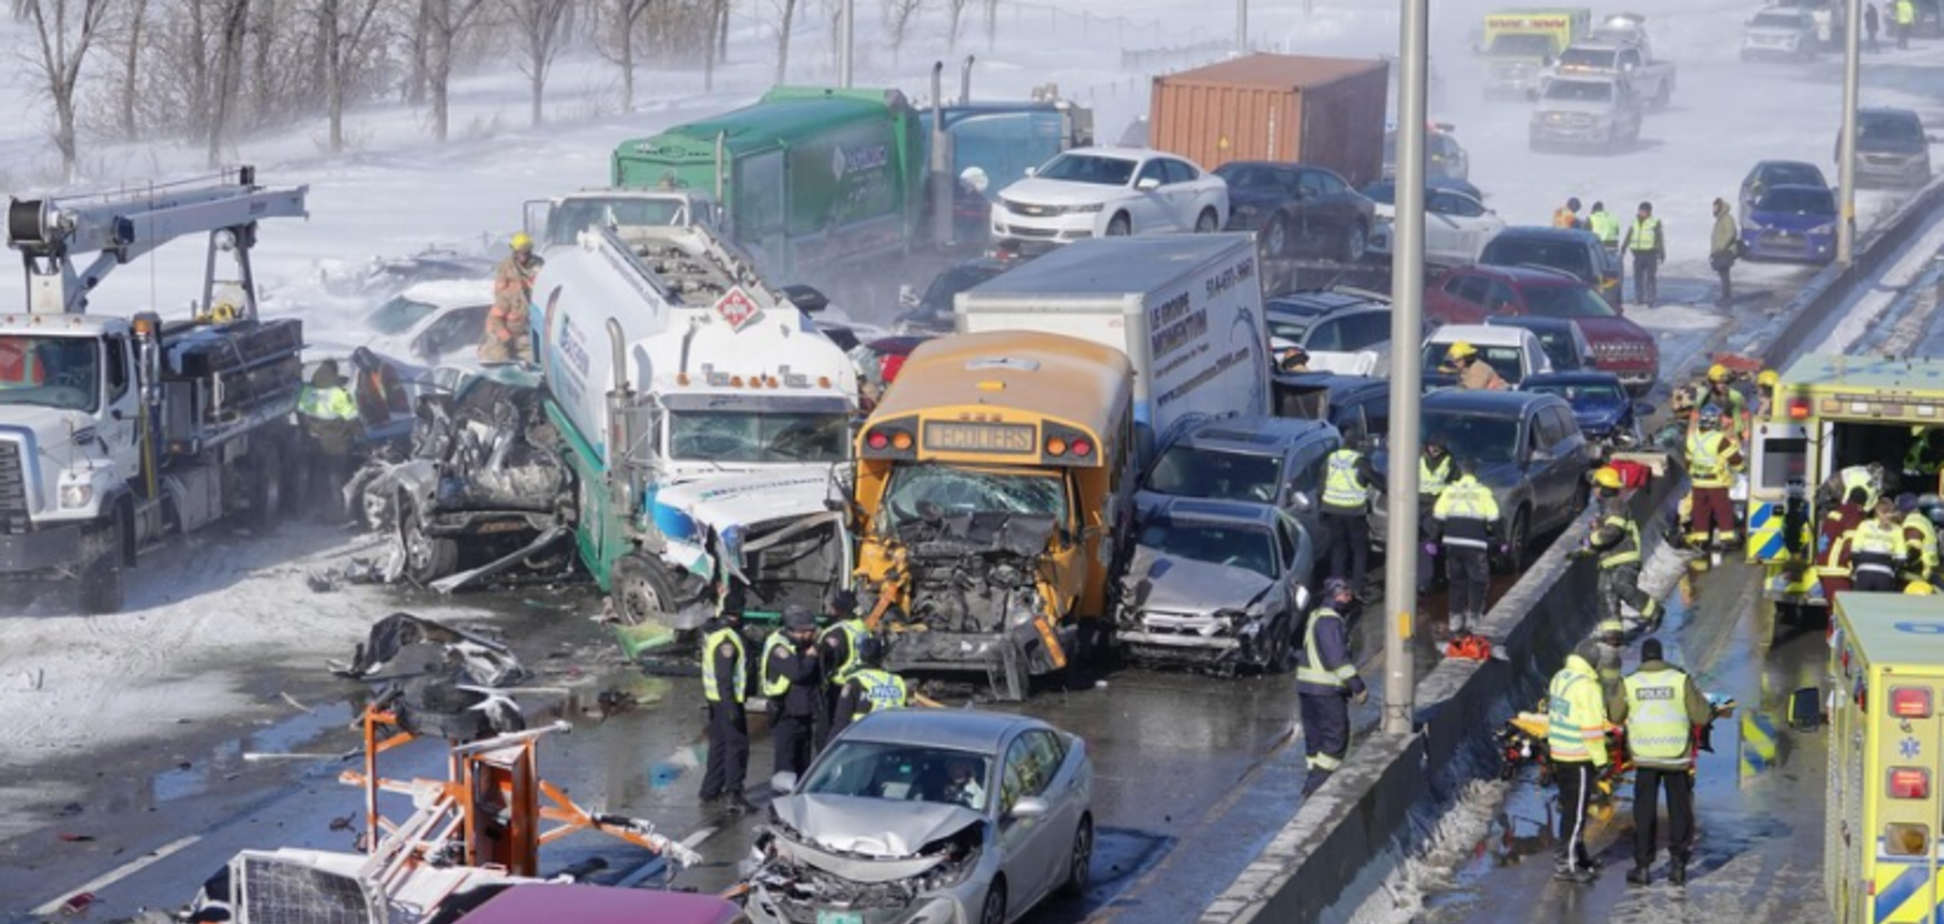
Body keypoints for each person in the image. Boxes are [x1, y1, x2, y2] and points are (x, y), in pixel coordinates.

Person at [1613, 638, 1711, 887]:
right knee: (1679, 808)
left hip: (1645, 756)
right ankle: (1678, 866)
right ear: (1662, 656)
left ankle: (1643, 867)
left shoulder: (1631, 682)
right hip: (1676, 755)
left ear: (1643, 659)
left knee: (1644, 811)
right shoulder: (1680, 680)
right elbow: (1702, 715)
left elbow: (1614, 715)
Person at [1547, 639, 1611, 883]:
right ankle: (1567, 865)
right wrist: (1601, 762)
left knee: (1571, 807)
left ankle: (1579, 855)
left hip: (1559, 751)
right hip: (1578, 755)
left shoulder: (1561, 677)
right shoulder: (1588, 687)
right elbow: (1592, 730)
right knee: (1576, 813)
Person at [1298, 578, 1367, 796]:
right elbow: (1337, 659)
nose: (1350, 599)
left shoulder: (1316, 616)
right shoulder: (1330, 622)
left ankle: (1313, 782)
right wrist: (1357, 686)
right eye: (1347, 595)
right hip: (1326, 692)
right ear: (1337, 596)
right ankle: (1315, 787)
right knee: (1335, 741)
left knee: (1315, 741)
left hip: (1308, 689)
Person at [1580, 466, 1664, 632]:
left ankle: (1654, 612)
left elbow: (1612, 532)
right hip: (1608, 561)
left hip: (1624, 558)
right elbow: (1603, 538)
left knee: (1622, 586)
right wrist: (1585, 549)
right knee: (1605, 592)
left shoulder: (1615, 505)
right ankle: (1613, 631)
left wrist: (1590, 539)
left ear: (1604, 489)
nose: (1594, 491)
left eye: (1596, 486)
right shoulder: (1605, 509)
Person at [1432, 455, 1499, 636]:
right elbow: (1494, 518)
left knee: (1457, 581)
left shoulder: (1449, 491)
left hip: (1452, 542)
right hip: (1475, 543)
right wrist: (1500, 541)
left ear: (1461, 473)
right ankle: (1474, 618)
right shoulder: (1483, 491)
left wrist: (1432, 540)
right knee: (1477, 580)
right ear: (1475, 473)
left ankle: (1455, 619)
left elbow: (1438, 517)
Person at [699, 606, 754, 813]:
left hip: (716, 700)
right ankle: (734, 793)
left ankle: (710, 789)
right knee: (737, 746)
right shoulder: (727, 639)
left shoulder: (713, 633)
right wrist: (731, 706)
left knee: (719, 745)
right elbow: (725, 677)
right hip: (727, 701)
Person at [761, 605, 822, 780]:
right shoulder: (779, 647)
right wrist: (811, 656)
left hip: (803, 712)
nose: (810, 635)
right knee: (785, 764)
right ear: (794, 630)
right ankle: (781, 801)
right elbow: (798, 673)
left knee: (803, 762)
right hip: (785, 713)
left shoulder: (800, 644)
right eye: (807, 631)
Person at [297, 359, 361, 518]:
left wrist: (310, 431)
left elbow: (301, 415)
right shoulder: (338, 393)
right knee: (335, 477)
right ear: (334, 372)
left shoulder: (309, 392)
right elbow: (352, 418)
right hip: (336, 442)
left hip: (316, 441)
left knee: (319, 476)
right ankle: (337, 511)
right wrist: (356, 433)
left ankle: (319, 509)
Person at [1320, 434, 1379, 598]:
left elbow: (1321, 484)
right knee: (1359, 550)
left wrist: (1322, 509)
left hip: (1332, 509)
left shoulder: (1332, 458)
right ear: (1357, 446)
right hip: (1354, 511)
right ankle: (1357, 589)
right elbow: (1376, 480)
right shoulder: (1360, 460)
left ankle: (1337, 589)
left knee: (1338, 549)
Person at [1685, 405, 1745, 551]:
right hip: (1716, 483)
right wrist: (1741, 469)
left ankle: (1701, 538)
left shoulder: (1692, 439)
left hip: (1698, 483)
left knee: (1700, 510)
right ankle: (1727, 538)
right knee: (1722, 510)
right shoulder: (1719, 439)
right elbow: (1735, 459)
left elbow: (1688, 462)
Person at [814, 590, 868, 751]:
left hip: (837, 689)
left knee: (827, 733)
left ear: (837, 609)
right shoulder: (861, 627)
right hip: (860, 684)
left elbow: (826, 661)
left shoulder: (836, 632)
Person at [481, 233, 544, 364]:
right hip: (501, 332)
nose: (523, 255)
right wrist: (506, 337)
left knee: (537, 359)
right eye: (520, 251)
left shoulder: (538, 266)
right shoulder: (506, 271)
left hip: (521, 334)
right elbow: (496, 316)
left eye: (526, 251)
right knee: (499, 359)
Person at [831, 637, 911, 738]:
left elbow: (841, 721)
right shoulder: (897, 681)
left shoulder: (855, 681)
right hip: (894, 739)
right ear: (881, 656)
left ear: (861, 656)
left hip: (863, 739)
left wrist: (829, 750)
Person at [1817, 478, 1875, 602]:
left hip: (1823, 566)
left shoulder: (1835, 512)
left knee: (1832, 610)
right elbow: (1850, 544)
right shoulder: (1853, 514)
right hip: (1837, 570)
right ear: (1862, 504)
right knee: (1840, 613)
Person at [1417, 438, 1457, 596]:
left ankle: (1426, 582)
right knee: (1422, 542)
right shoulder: (1419, 460)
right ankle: (1429, 578)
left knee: (1429, 541)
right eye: (1431, 447)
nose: (1433, 450)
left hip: (1437, 505)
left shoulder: (1449, 462)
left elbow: (1455, 483)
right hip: (1417, 503)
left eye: (1437, 447)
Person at [1848, 498, 1908, 592]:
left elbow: (1854, 552)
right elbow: (1901, 558)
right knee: (1882, 605)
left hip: (1864, 572)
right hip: (1885, 574)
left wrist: (1857, 568)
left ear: (1876, 511)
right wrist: (1893, 571)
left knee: (1860, 604)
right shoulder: (1897, 530)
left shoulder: (1864, 525)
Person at [1620, 201, 1665, 309]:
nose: (1641, 212)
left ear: (1649, 212)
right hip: (1638, 254)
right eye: (1640, 210)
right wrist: (1624, 247)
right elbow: (1629, 235)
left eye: (1644, 211)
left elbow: (1660, 238)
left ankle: (1651, 299)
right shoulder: (1634, 221)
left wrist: (1662, 252)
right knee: (1638, 277)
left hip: (1650, 253)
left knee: (1650, 277)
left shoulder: (1655, 222)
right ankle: (1638, 297)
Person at [349, 346, 409, 427]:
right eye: (359, 362)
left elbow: (397, 392)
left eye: (363, 360)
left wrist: (398, 411)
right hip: (374, 416)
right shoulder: (362, 374)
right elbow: (360, 395)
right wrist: (364, 413)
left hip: (393, 413)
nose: (362, 364)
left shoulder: (385, 368)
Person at [1902, 493, 1940, 583]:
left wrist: (1902, 565)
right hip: (1931, 567)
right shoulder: (1925, 520)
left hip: (1919, 570)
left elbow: (1915, 548)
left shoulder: (1911, 521)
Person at [1709, 198, 1739, 308]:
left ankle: (1726, 297)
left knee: (1724, 274)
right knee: (1723, 274)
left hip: (1725, 251)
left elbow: (1729, 233)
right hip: (1720, 251)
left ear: (1721, 207)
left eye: (1716, 207)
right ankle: (1725, 296)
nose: (1714, 209)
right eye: (1714, 207)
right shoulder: (1720, 219)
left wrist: (1720, 247)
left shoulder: (1726, 218)